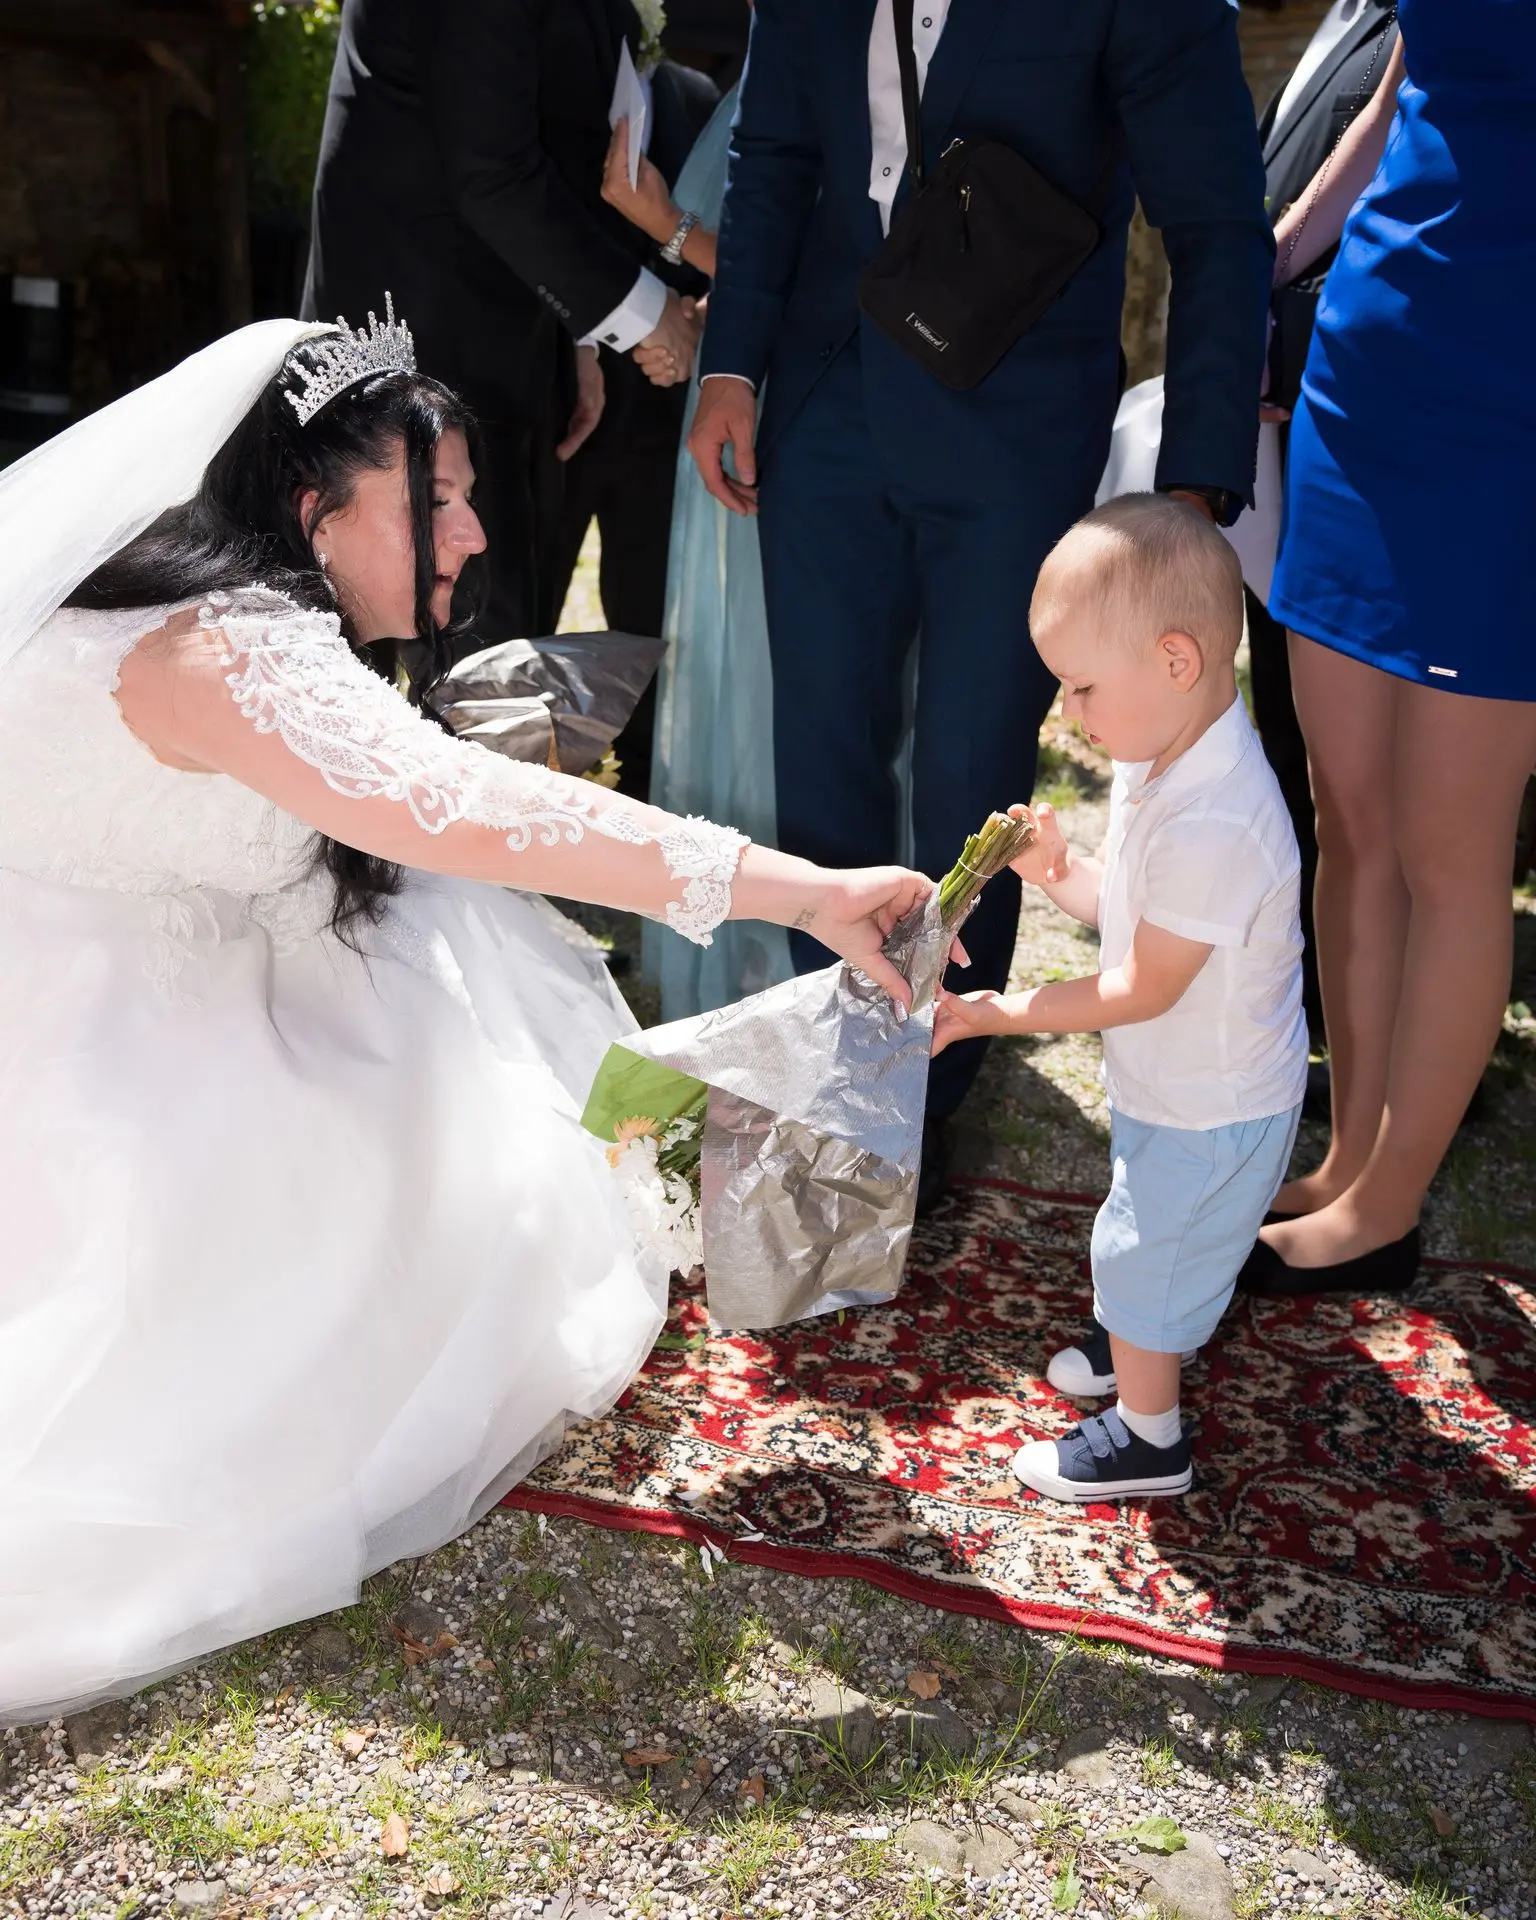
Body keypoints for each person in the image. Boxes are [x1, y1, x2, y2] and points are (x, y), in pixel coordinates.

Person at [0, 312, 931, 1721]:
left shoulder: (202, 600)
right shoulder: (228, 651)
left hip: (138, 951)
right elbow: (466, 808)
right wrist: (804, 892)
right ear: (313, 511)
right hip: (86, 1050)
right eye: (435, 498)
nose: (476, 533)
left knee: (439, 942)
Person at [688, 0, 1275, 1205]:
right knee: (822, 746)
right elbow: (774, 152)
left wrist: (1193, 485)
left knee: (972, 761)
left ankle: (930, 1086)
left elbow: (1217, 216)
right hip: (825, 400)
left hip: (1019, 422)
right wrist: (731, 364)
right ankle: (843, 1064)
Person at [1245, 0, 1536, 1298]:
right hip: (1363, 374)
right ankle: (1348, 1163)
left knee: (1449, 846)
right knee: (1348, 814)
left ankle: (1387, 1207)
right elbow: (1387, 111)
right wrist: (1263, 265)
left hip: (1513, 408)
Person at [935, 497, 1306, 1502]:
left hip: (1214, 1108)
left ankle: (1149, 1440)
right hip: (1175, 1089)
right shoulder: (1161, 756)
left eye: (1082, 687)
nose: (1069, 714)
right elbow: (1137, 913)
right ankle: (1144, 1332)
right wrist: (1061, 872)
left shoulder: (1218, 820)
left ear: (1176, 660)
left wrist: (1001, 1011)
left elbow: (1141, 986)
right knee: (1151, 1239)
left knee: (1144, 1248)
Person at [302, 0, 702, 647]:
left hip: (503, 352)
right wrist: (648, 314)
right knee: (450, 648)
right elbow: (493, 170)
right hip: (413, 360)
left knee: (499, 640)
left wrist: (580, 341)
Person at [600, 98, 794, 1017]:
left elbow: (811, 259)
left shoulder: (818, 59)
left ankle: (790, 933)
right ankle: (746, 927)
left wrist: (666, 225)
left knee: (770, 661)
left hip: (786, 404)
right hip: (737, 385)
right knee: (732, 663)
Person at [1249, 0, 1401, 1040]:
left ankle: (1387, 1024)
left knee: (1378, 775)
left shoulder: (1404, 25)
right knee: (1291, 723)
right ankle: (1309, 999)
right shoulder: (1341, 19)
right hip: (1294, 423)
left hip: (1387, 426)